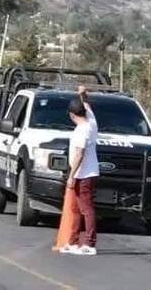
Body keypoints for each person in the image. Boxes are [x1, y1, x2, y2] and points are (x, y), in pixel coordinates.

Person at [60, 86, 99, 256]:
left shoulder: (82, 131)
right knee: (76, 209)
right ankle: (73, 242)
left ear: (72, 115)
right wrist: (82, 94)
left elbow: (79, 154)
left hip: (84, 174)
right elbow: (87, 104)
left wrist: (71, 176)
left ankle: (89, 243)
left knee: (86, 209)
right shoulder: (91, 121)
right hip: (84, 173)